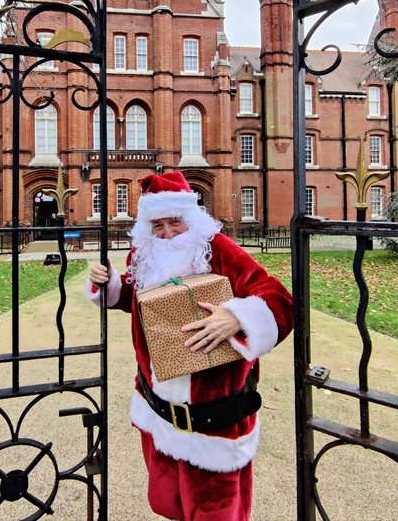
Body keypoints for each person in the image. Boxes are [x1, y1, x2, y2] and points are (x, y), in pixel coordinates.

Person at [85, 171, 294, 521]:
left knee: (216, 511)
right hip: (158, 411)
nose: (167, 233)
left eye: (175, 223)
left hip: (214, 421)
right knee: (169, 504)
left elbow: (279, 300)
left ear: (192, 220)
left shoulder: (218, 248)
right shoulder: (144, 252)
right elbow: (141, 299)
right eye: (158, 225)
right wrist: (109, 285)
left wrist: (238, 317)